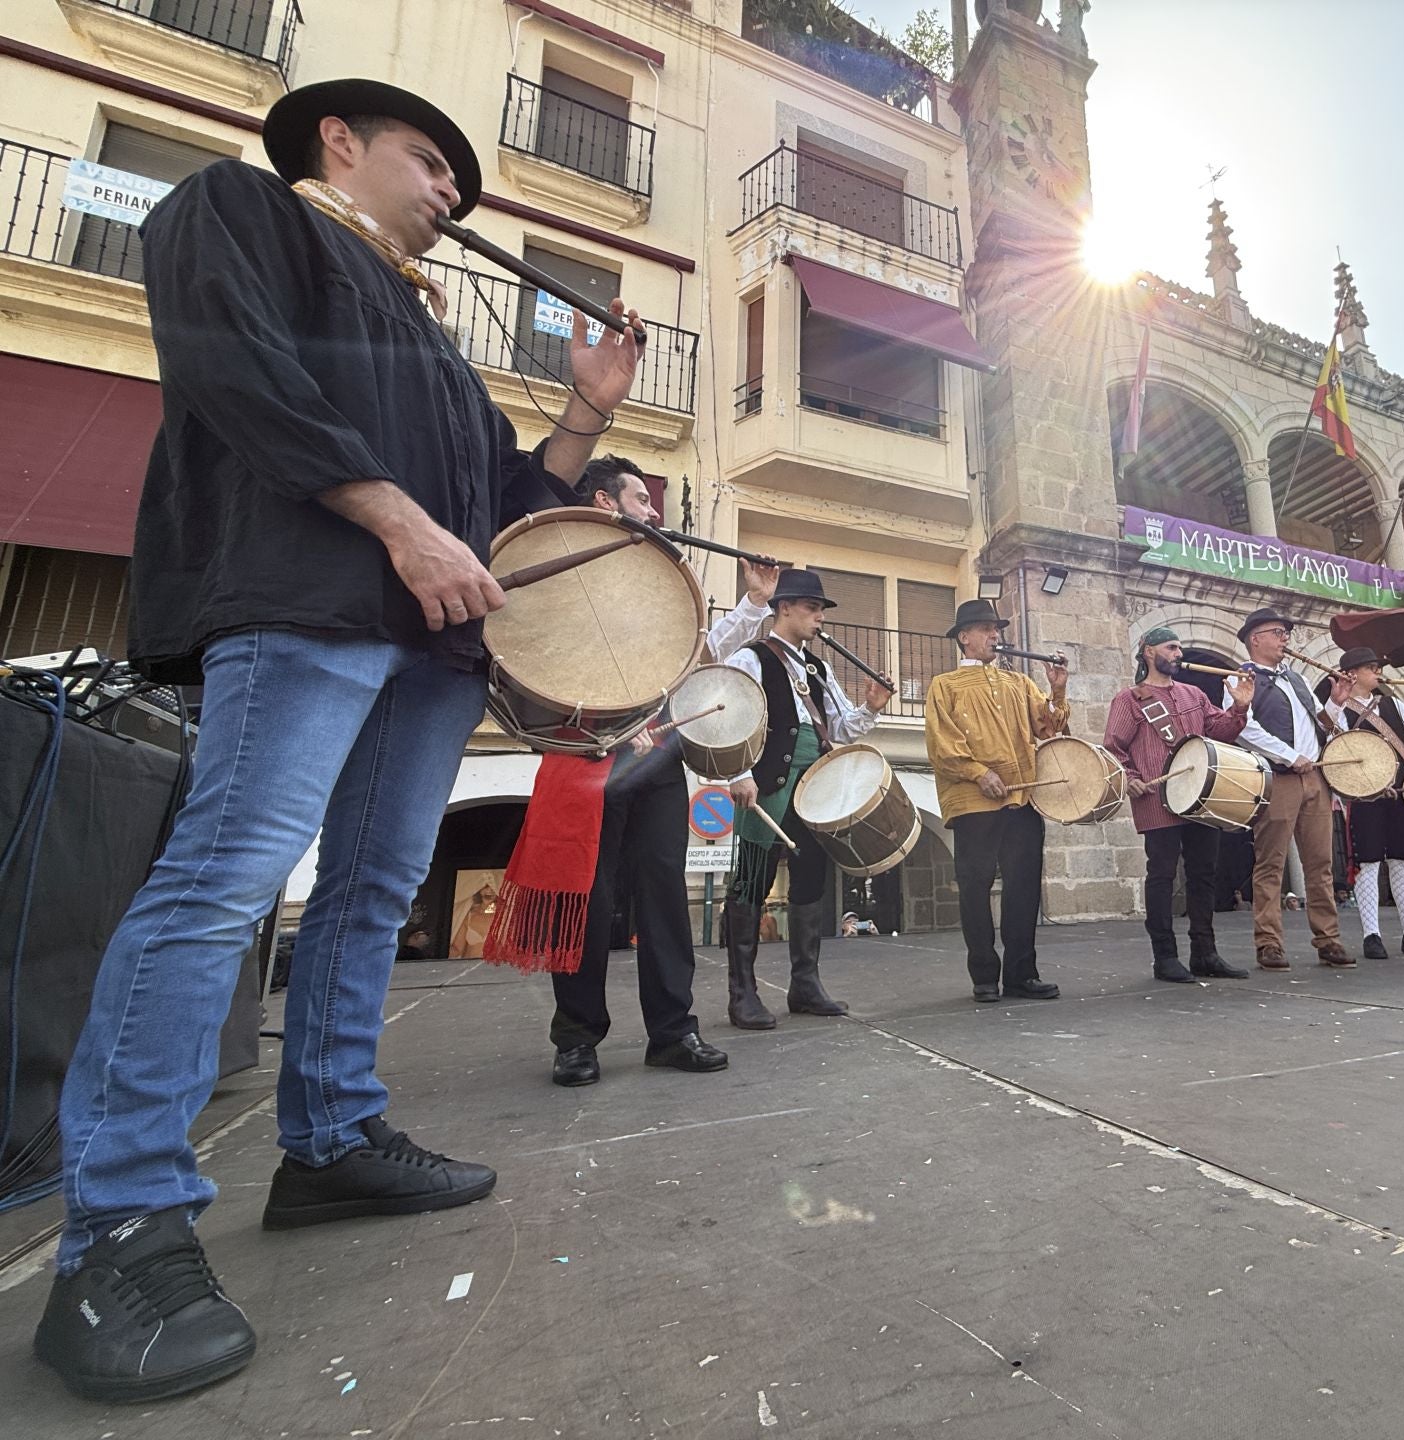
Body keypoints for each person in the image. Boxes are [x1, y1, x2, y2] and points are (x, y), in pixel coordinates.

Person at [34, 79, 643, 1402]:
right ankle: (121, 1220)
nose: (449, 196)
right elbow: (229, 365)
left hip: (428, 647)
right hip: (305, 599)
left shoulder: (432, 344)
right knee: (226, 880)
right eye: (433, 166)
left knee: (369, 892)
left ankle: (332, 1138)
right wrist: (398, 525)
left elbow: (504, 510)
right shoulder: (239, 209)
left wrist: (588, 409)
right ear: (340, 141)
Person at [496, 457, 775, 1087]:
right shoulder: (562, 568)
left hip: (657, 758)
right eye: (643, 502)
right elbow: (535, 653)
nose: (655, 514)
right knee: (586, 901)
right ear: (604, 503)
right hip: (586, 757)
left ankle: (673, 1031)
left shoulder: (657, 576)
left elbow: (699, 658)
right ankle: (576, 1038)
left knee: (663, 896)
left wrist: (755, 603)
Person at [723, 570, 893, 1025]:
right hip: (766, 783)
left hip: (814, 785)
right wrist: (740, 773)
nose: (819, 617)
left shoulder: (818, 667)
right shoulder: (751, 658)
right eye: (812, 608)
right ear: (783, 608)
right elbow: (733, 719)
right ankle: (743, 994)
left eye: (820, 610)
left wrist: (870, 710)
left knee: (810, 882)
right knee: (751, 885)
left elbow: (836, 729)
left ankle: (805, 985)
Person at [922, 599, 1071, 1002]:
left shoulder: (1018, 683)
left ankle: (1022, 974)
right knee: (975, 888)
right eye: (986, 628)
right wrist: (977, 773)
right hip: (973, 803)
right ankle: (984, 976)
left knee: (1024, 888)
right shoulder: (945, 685)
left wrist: (1057, 690)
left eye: (997, 628)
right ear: (963, 638)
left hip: (1021, 798)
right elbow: (942, 744)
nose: (995, 635)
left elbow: (1049, 728)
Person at [1103, 627, 1254, 982]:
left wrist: (1240, 706)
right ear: (1148, 651)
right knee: (1162, 875)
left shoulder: (1194, 694)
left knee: (1204, 875)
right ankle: (1165, 957)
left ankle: (1205, 953)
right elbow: (1113, 749)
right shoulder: (1129, 700)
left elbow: (1221, 731)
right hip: (1157, 797)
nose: (1177, 653)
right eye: (1171, 647)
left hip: (1201, 795)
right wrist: (1130, 778)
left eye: (1179, 648)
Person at [1311, 647, 1404, 960]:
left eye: (1376, 667)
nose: (1377, 672)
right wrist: (1336, 703)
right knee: (1367, 862)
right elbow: (1325, 741)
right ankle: (1371, 935)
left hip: (1399, 791)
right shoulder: (1336, 705)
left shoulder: (1391, 703)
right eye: (1370, 668)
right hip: (1363, 795)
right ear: (1351, 674)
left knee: (1403, 858)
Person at [1236, 610, 1353, 969]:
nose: (1285, 637)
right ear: (1255, 639)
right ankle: (1268, 942)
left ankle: (1328, 939)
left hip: (1314, 778)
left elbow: (1323, 724)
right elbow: (1244, 729)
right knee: (1270, 862)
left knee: (1320, 863)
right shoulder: (1239, 679)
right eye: (1278, 632)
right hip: (1278, 777)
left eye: (1286, 632)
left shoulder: (1298, 679)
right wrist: (1290, 756)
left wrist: (1337, 701)